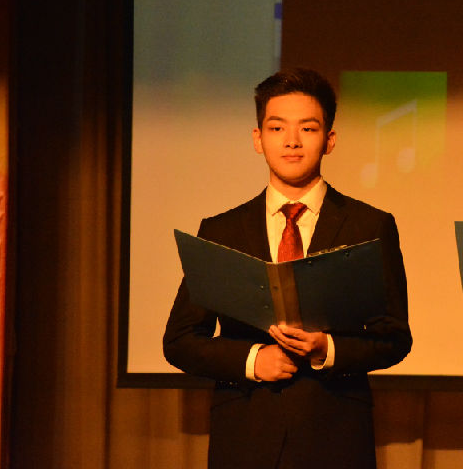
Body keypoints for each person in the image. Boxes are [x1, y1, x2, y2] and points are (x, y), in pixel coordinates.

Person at [163, 67, 412, 469]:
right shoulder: (222, 230)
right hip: (245, 436)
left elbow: (394, 338)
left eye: (308, 129)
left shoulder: (370, 226)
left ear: (329, 140)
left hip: (335, 437)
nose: (292, 141)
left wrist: (327, 349)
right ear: (258, 139)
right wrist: (252, 360)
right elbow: (180, 340)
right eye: (277, 128)